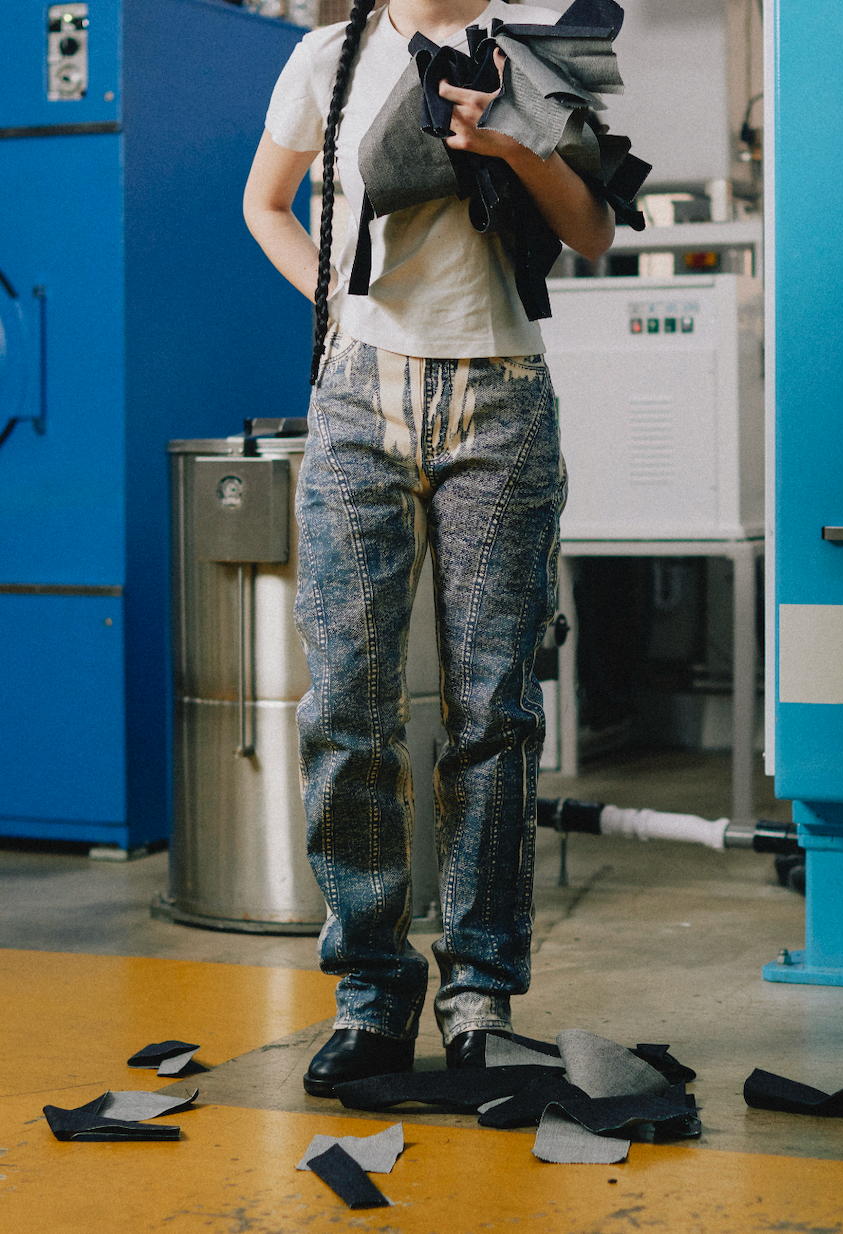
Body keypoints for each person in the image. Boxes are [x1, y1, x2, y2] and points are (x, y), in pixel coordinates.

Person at [243, 0, 614, 1095]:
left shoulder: (536, 53)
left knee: (492, 710)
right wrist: (333, 314)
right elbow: (264, 204)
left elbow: (591, 230)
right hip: (361, 394)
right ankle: (370, 996)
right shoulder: (325, 59)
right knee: (347, 705)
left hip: (500, 395)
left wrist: (505, 140)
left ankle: (479, 998)